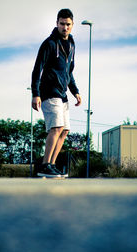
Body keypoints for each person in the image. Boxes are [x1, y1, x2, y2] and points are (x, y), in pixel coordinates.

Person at [31, 8, 82, 178]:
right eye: (62, 24)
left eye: (68, 24)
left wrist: (75, 91)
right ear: (57, 23)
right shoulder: (50, 43)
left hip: (63, 94)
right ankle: (45, 165)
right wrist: (35, 93)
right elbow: (37, 69)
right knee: (56, 127)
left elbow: (69, 72)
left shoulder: (72, 45)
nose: (65, 27)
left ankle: (51, 165)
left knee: (65, 130)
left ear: (72, 25)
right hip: (49, 92)